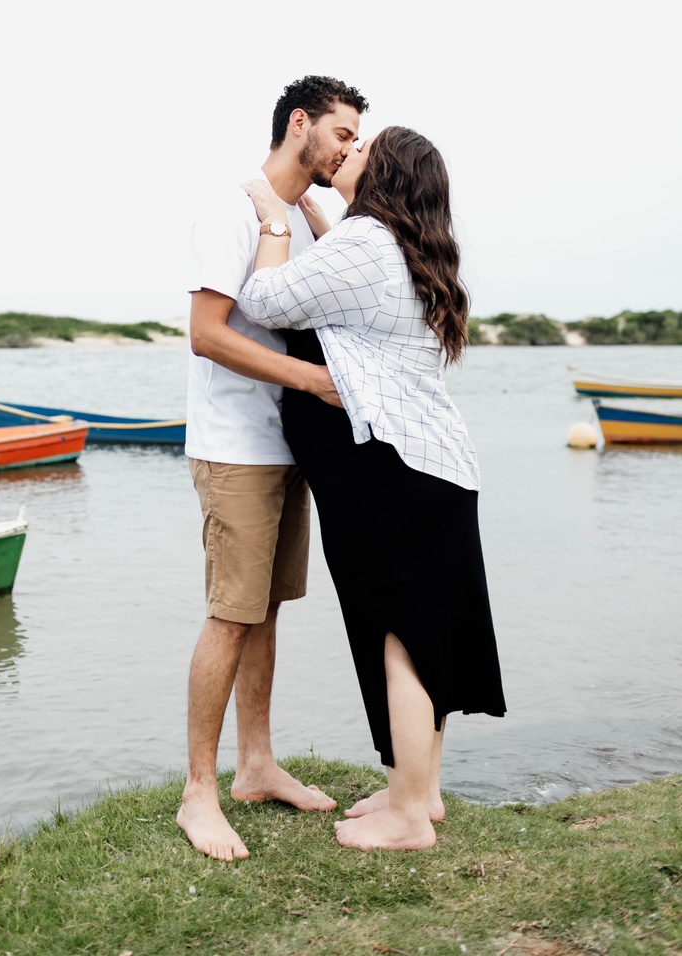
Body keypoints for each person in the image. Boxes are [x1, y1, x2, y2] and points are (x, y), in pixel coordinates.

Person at [236, 125, 506, 852]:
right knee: (422, 632)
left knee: (398, 636)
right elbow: (353, 301)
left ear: (382, 171)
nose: (345, 153)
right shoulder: (409, 248)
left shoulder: (367, 243)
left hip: (392, 473)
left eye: (360, 148)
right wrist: (325, 222)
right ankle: (419, 792)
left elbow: (264, 299)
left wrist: (273, 222)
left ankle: (408, 818)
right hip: (434, 469)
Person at [178, 74, 369, 862]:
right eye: (341, 133)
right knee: (231, 613)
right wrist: (314, 382)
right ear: (299, 123)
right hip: (234, 446)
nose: (348, 149)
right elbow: (206, 333)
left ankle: (255, 765)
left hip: (289, 446)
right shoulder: (232, 210)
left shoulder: (299, 220)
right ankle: (198, 792)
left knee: (266, 610)